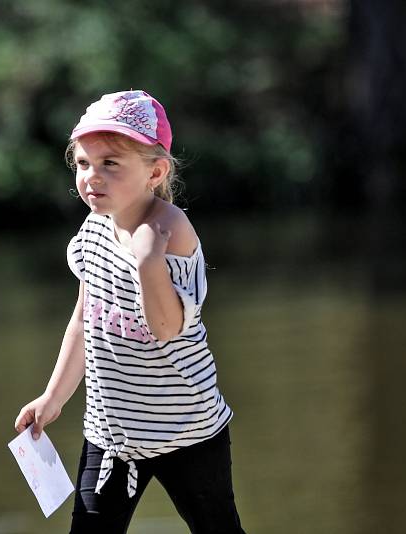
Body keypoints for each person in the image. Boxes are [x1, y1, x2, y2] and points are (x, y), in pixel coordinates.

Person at [14, 90, 245, 534]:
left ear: (155, 172)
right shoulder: (93, 227)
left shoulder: (170, 230)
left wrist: (148, 263)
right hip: (112, 435)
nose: (91, 177)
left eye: (110, 164)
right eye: (83, 163)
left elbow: (167, 328)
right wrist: (52, 398)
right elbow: (85, 320)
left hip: (187, 431)